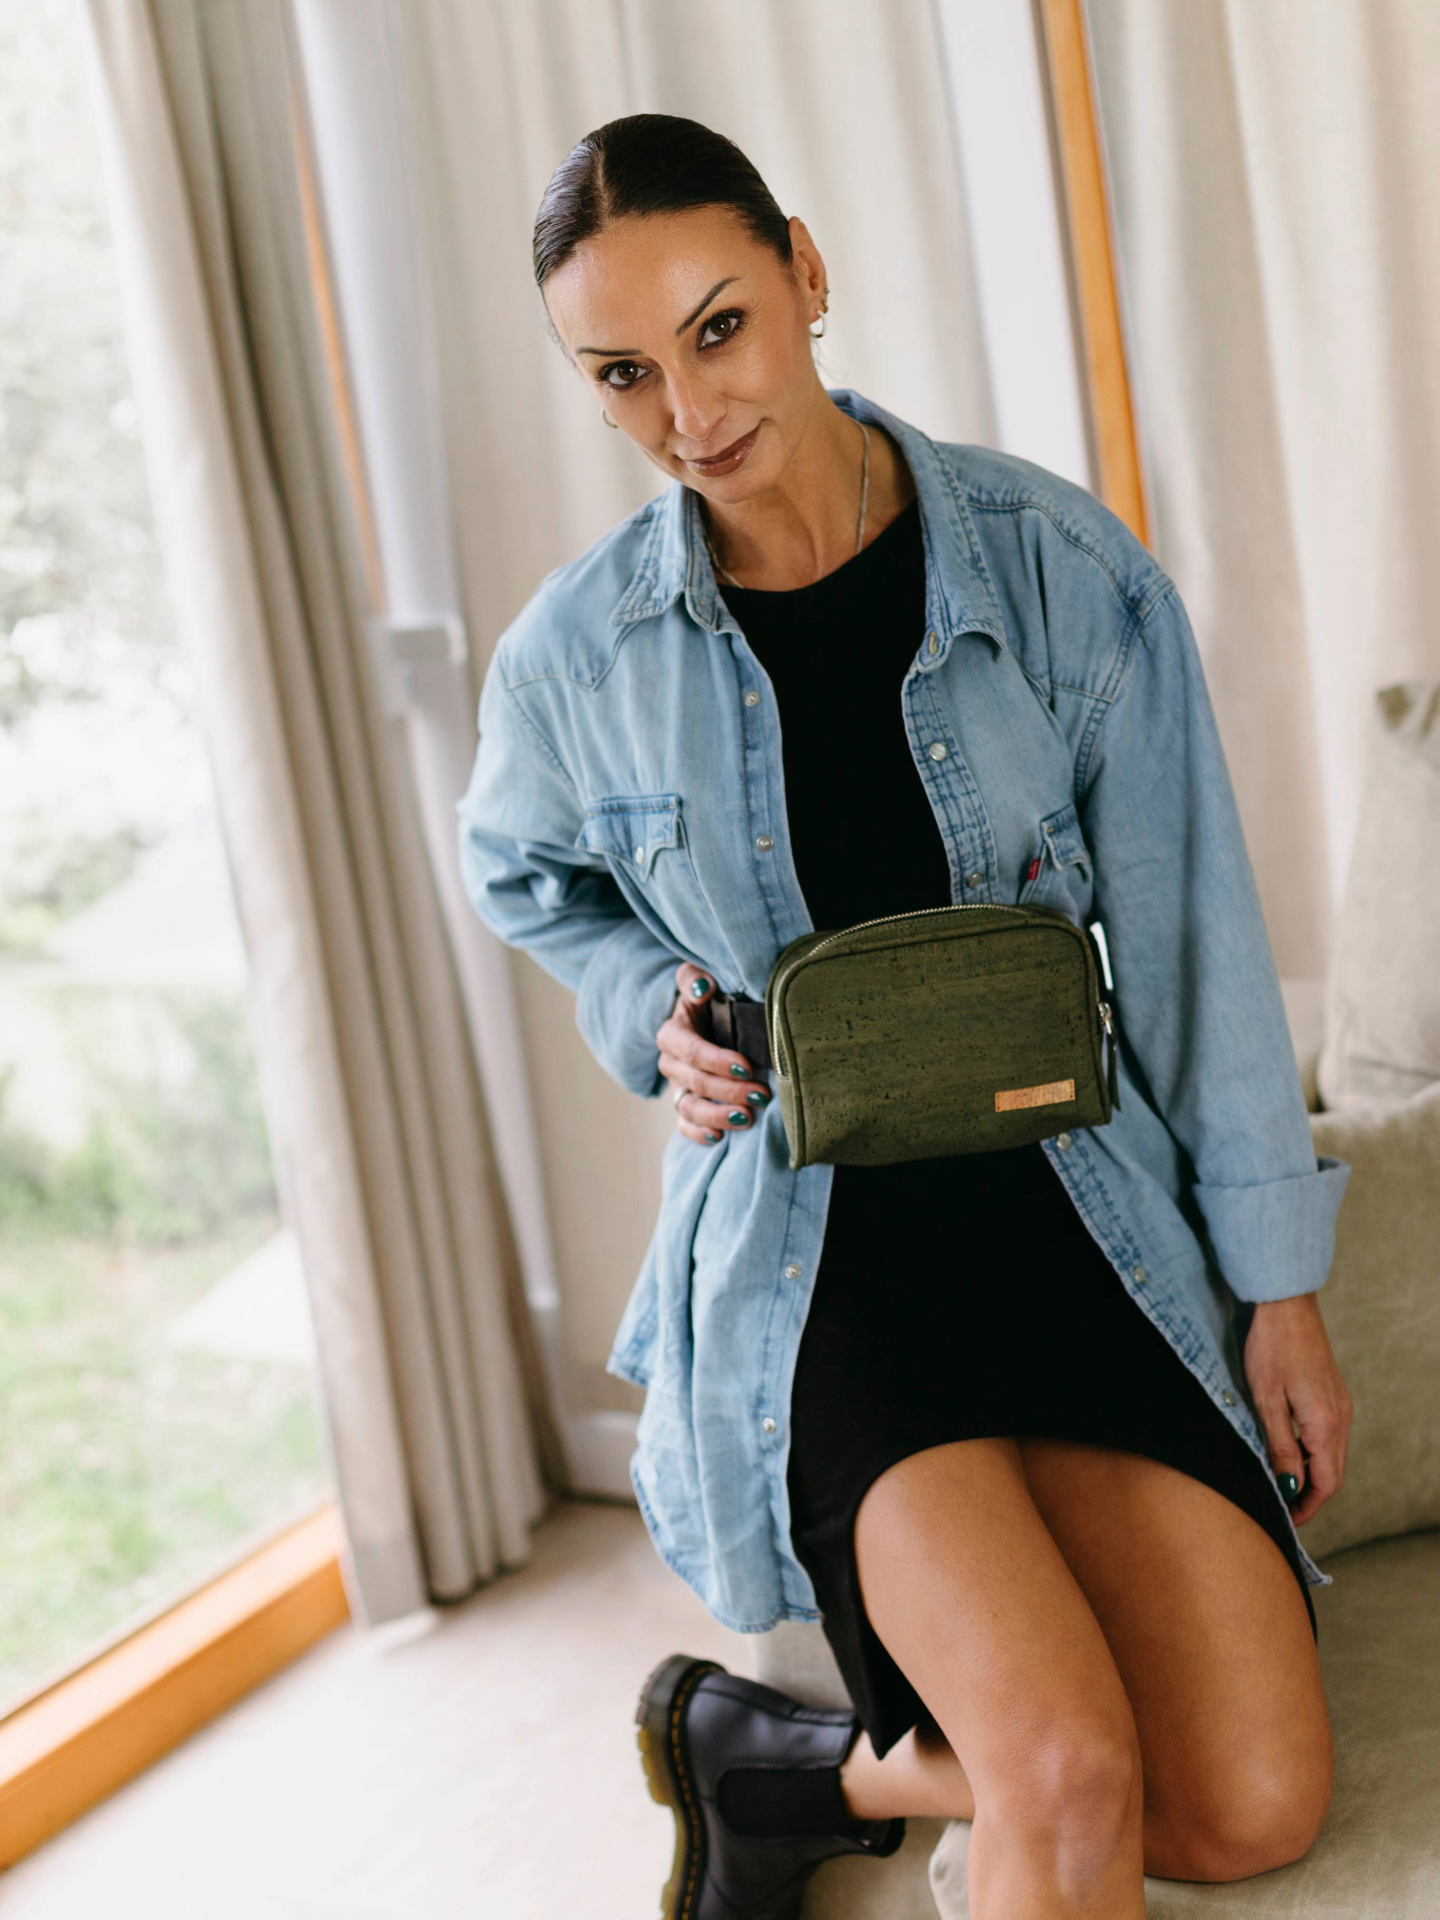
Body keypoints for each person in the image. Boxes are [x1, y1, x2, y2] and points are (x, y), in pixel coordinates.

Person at [457, 114, 1354, 1920]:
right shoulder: (580, 657)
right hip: (827, 1252)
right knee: (1068, 1774)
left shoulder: (1059, 570)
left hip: (1068, 1199)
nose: (688, 413)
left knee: (1254, 1804)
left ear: (803, 270)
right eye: (622, 375)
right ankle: (873, 1759)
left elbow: (1194, 938)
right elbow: (523, 875)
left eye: (718, 329)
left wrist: (1282, 1288)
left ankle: (782, 1765)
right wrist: (646, 1006)